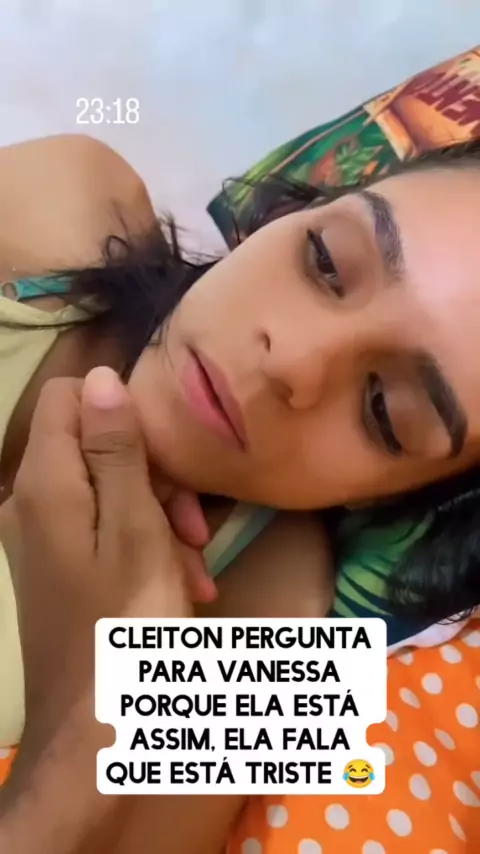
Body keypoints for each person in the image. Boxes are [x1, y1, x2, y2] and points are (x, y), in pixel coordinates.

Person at [1, 132, 480, 751]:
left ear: (389, 495)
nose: (292, 361)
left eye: (384, 411)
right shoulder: (59, 201)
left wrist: (77, 696)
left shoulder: (276, 618)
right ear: (283, 217)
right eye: (326, 262)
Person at [0, 368, 246, 853]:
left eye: (379, 412)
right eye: (325, 285)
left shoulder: (287, 592)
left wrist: (80, 734)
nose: (293, 364)